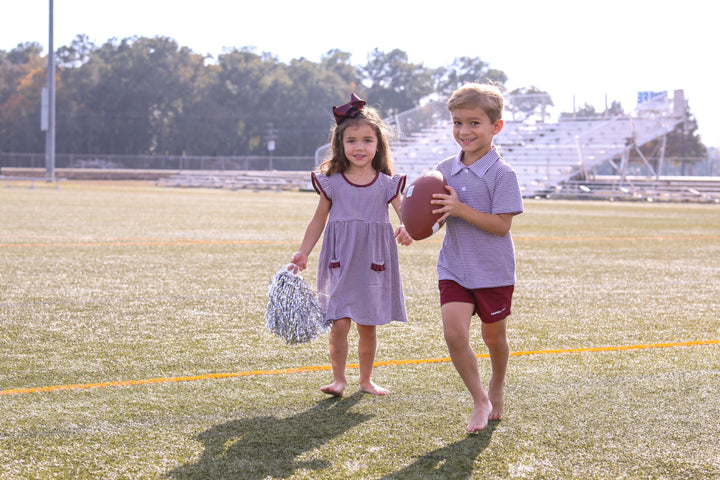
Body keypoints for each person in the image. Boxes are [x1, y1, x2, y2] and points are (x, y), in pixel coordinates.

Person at [290, 94, 413, 397]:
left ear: (378, 145)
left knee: (367, 325)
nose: (359, 147)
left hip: (373, 261)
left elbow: (407, 216)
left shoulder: (387, 183)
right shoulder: (332, 182)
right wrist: (303, 251)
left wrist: (407, 227)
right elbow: (318, 220)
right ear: (341, 145)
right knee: (339, 323)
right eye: (352, 140)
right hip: (340, 260)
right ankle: (339, 379)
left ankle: (366, 380)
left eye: (367, 140)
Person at [430, 83, 524, 433]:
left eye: (474, 123)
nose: (464, 131)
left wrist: (459, 209)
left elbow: (501, 226)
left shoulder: (504, 174)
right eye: (457, 122)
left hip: (493, 271)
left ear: (495, 127)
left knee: (494, 338)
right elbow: (437, 215)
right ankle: (480, 398)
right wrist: (418, 227)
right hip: (454, 267)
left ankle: (497, 384)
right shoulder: (443, 169)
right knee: (454, 334)